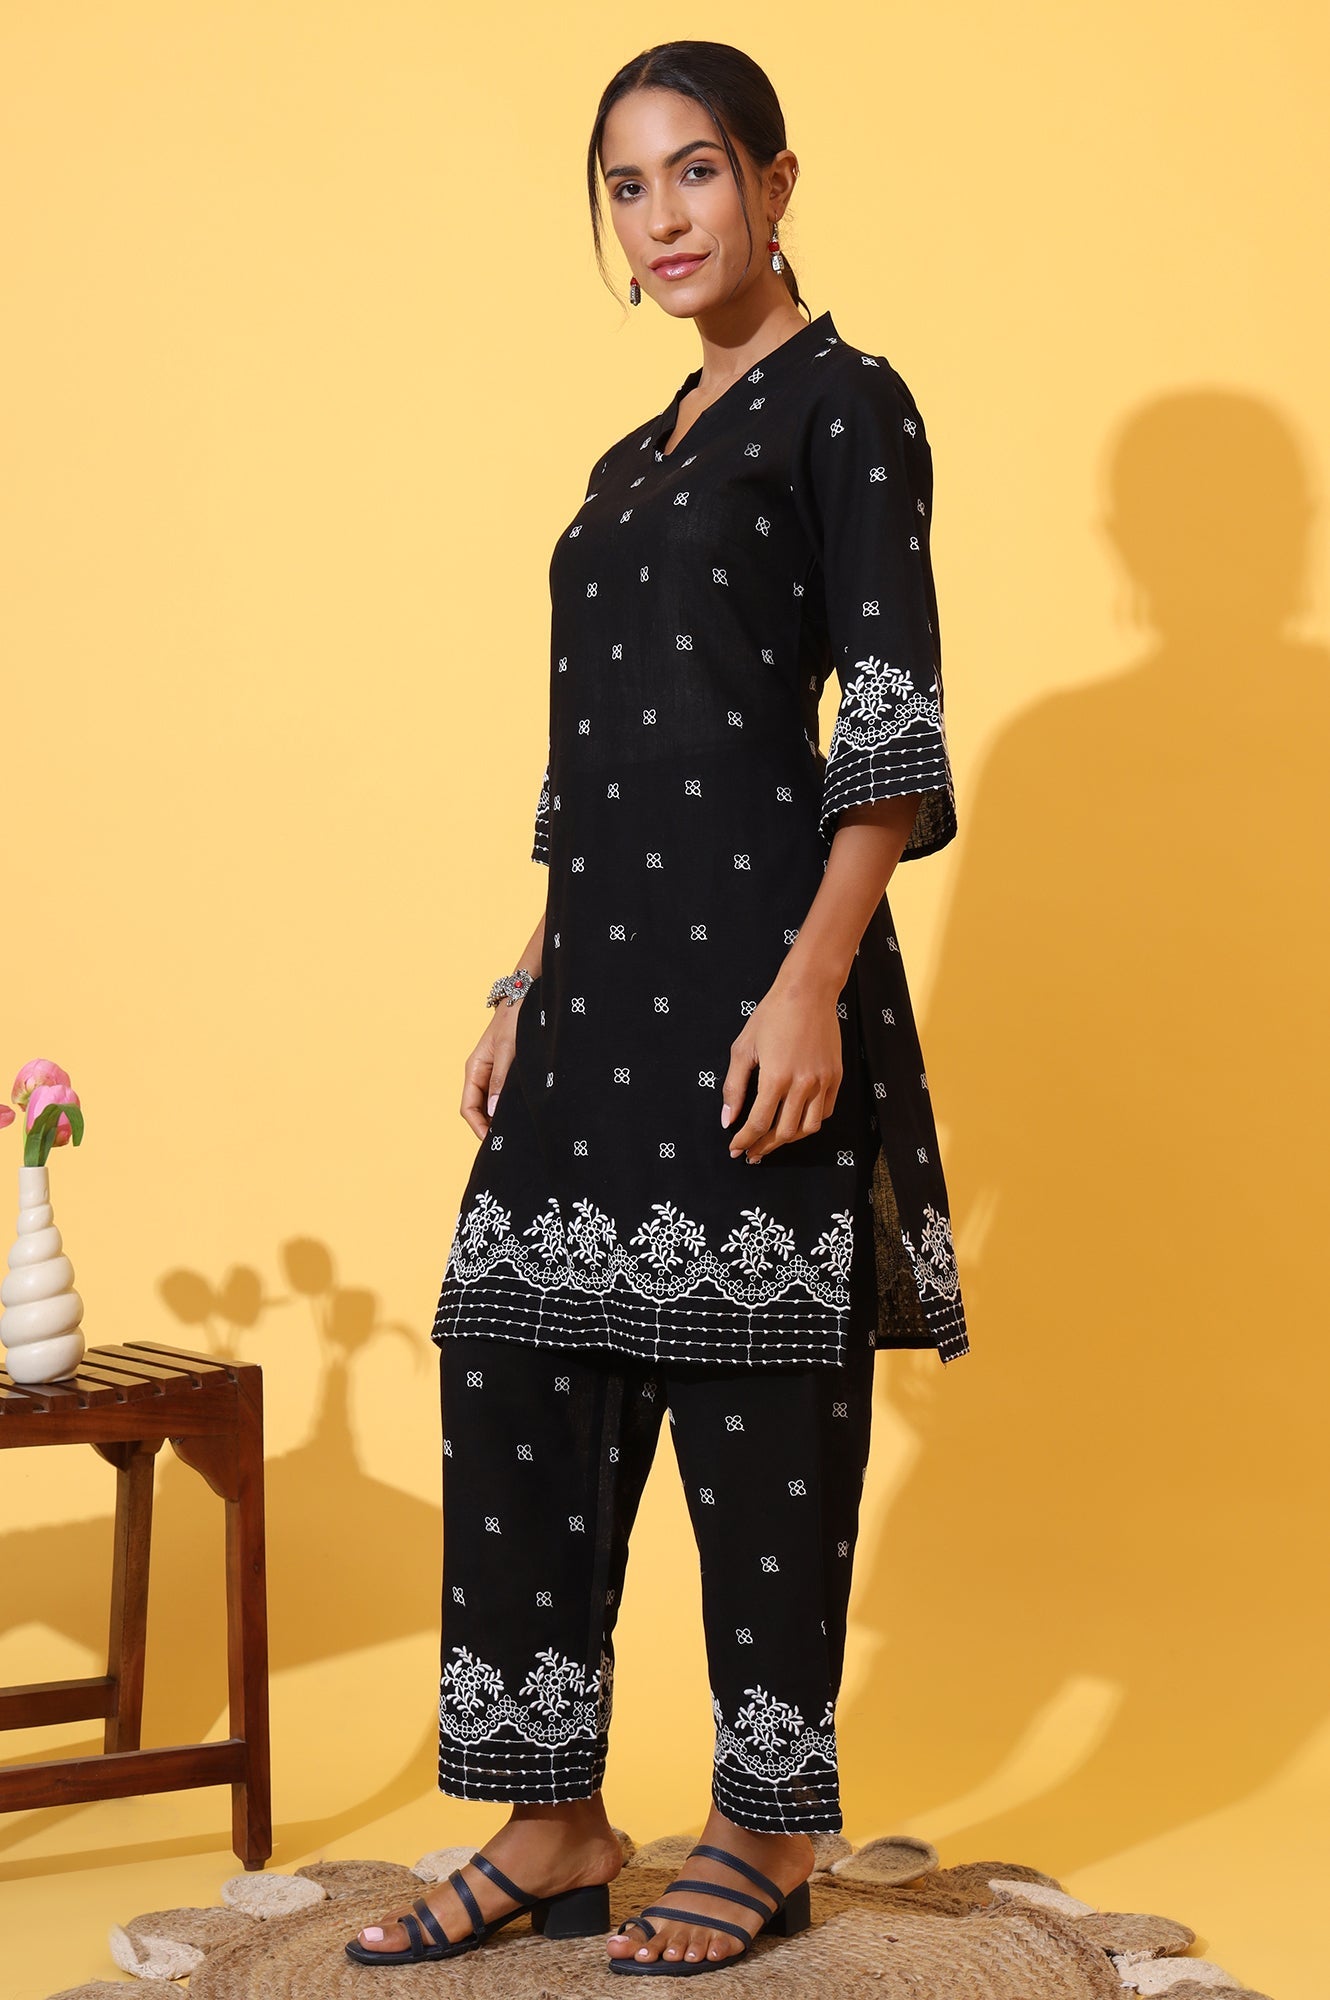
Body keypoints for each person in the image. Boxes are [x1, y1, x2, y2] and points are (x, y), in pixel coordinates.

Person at [348, 37, 969, 1979]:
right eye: (627, 187)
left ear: (773, 183)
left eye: (695, 171)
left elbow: (886, 721)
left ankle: (764, 1832)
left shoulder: (845, 407)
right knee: (511, 1360)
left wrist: (811, 986)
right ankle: (550, 1821)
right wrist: (522, 977)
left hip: (752, 981)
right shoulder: (628, 466)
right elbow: (596, 761)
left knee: (758, 1404)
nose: (663, 215)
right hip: (594, 990)